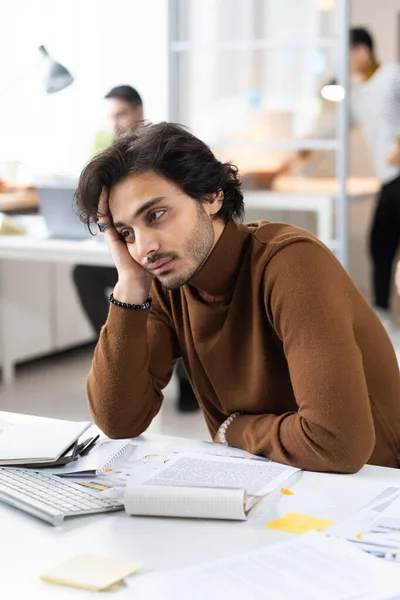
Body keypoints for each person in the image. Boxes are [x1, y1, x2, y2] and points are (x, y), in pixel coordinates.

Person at [74, 122, 400, 473]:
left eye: (155, 215)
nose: (144, 247)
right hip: (280, 480)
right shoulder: (168, 283)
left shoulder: (290, 262)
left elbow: (338, 443)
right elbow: (118, 421)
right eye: (127, 233)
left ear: (212, 195)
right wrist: (129, 286)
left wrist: (234, 428)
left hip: (374, 491)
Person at [73, 86, 198, 412]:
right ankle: (121, 347)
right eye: (111, 117)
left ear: (138, 110)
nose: (115, 123)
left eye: (121, 115)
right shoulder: (107, 155)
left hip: (174, 264)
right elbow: (115, 421)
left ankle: (187, 380)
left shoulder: (162, 153)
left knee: (173, 276)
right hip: (124, 264)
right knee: (84, 272)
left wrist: (233, 428)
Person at [288, 28, 400, 322]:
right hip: (389, 180)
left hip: (397, 172)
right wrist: (301, 152)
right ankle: (383, 316)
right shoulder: (356, 91)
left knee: (384, 246)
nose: (345, 62)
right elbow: (334, 129)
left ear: (362, 51)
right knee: (380, 247)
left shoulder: (393, 76)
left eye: (347, 54)